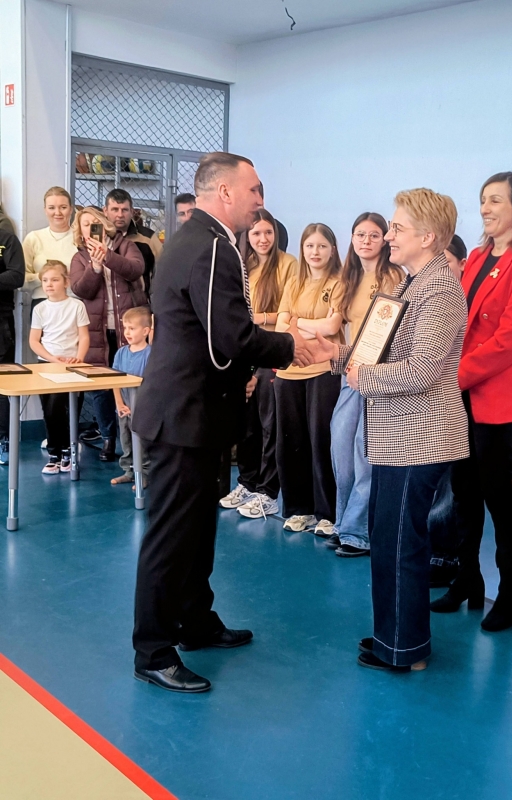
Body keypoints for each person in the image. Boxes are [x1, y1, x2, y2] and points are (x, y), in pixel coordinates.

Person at [130, 152, 311, 693]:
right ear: (225, 192)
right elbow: (230, 336)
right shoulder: (211, 247)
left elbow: (212, 333)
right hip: (183, 414)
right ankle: (152, 650)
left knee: (198, 528)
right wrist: (291, 346)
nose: (260, 200)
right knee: (171, 534)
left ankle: (195, 621)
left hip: (198, 413)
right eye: (254, 189)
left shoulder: (199, 239)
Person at [308, 188, 469, 672]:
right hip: (398, 434)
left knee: (401, 543)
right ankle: (393, 636)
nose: (389, 236)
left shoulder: (440, 291)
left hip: (420, 436)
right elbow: (377, 351)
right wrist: (336, 355)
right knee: (388, 538)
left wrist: (362, 377)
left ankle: (404, 649)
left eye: (397, 228)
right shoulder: (411, 283)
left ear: (429, 236)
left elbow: (423, 369)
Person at [431, 171, 512, 632]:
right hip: (461, 391)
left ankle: (511, 592)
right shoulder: (479, 256)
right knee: (463, 490)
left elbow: (509, 340)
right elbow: (459, 324)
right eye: (483, 199)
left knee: (497, 495)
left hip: (498, 394)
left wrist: (452, 375)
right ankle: (468, 578)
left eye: (496, 200)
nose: (485, 208)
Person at [325, 213, 403, 557]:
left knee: (365, 453)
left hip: (379, 376)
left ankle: (357, 533)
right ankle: (343, 522)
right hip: (350, 373)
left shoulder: (394, 277)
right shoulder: (348, 278)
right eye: (360, 234)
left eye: (374, 235)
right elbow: (334, 325)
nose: (366, 241)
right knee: (341, 449)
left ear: (384, 240)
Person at [219, 209, 298, 518]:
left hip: (271, 352)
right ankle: (248, 482)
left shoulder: (289, 265)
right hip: (246, 352)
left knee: (269, 426)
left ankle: (268, 490)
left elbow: (286, 312)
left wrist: (259, 318)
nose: (263, 239)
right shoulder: (244, 265)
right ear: (247, 238)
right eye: (256, 233)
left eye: (268, 232)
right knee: (247, 424)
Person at [274, 223, 344, 533]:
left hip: (323, 370)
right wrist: (307, 325)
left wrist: (296, 322)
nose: (315, 252)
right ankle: (298, 509)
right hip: (289, 370)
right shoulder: (294, 282)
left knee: (321, 440)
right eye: (310, 246)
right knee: (291, 440)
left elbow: (332, 327)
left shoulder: (339, 283)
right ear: (302, 249)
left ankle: (327, 512)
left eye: (322, 246)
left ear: (332, 250)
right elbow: (280, 326)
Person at [69, 207, 146, 462]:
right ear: (80, 231)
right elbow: (82, 290)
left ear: (104, 224)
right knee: (101, 386)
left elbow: (136, 269)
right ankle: (107, 438)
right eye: (85, 224)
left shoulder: (125, 245)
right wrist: (95, 266)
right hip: (97, 330)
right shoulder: (79, 257)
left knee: (132, 380)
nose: (91, 227)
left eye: (95, 222)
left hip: (128, 328)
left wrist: (108, 256)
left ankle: (137, 440)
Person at [427, 233, 468, 587]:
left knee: (450, 484)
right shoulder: (426, 292)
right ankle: (431, 550)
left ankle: (444, 557)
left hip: (461, 393)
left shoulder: (454, 298)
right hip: (435, 396)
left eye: (446, 261)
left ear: (462, 265)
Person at [29, 261, 90, 475]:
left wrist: (79, 359)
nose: (49, 284)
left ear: (66, 282)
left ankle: (67, 450)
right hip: (47, 364)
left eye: (54, 280)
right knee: (49, 410)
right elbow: (34, 341)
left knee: (66, 408)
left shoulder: (76, 306)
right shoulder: (40, 308)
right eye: (45, 280)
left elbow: (84, 336)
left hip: (72, 365)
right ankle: (55, 453)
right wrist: (52, 358)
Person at [111, 306, 152, 488]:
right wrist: (119, 403)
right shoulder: (121, 353)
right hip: (124, 407)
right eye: (125, 328)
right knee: (125, 438)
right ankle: (129, 471)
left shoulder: (151, 354)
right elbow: (115, 380)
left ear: (145, 331)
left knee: (141, 440)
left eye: (132, 328)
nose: (127, 332)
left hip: (142, 408)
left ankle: (144, 473)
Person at [103, 189, 162, 301]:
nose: (120, 215)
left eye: (124, 210)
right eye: (115, 209)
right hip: (106, 301)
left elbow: (163, 271)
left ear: (132, 211)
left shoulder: (147, 238)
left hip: (138, 302)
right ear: (105, 211)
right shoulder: (98, 238)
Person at [22, 188, 77, 309]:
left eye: (63, 207)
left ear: (71, 209)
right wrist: (43, 276)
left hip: (73, 303)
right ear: (45, 210)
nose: (57, 212)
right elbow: (21, 281)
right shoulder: (33, 238)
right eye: (51, 208)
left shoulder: (80, 238)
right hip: (42, 304)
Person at [0, 223, 26, 464]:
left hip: (1, 320)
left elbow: (17, 275)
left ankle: (3, 439)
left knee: (2, 383)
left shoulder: (7, 240)